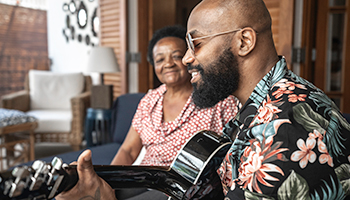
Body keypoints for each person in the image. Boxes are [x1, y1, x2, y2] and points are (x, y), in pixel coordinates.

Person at [181, 0, 350, 199]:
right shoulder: (264, 100)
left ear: (244, 42)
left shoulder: (284, 130)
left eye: (196, 44)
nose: (186, 58)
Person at [56, 25, 239, 200]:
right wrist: (107, 181)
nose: (168, 64)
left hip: (187, 187)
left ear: (188, 58)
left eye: (176, 56)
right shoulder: (149, 100)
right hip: (147, 178)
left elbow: (236, 149)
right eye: (160, 59)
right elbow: (128, 150)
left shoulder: (216, 99)